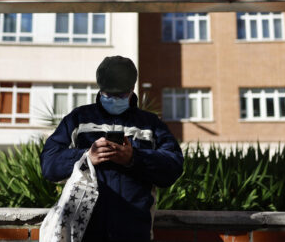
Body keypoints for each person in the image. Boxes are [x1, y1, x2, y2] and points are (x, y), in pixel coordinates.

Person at [41, 55, 184, 242]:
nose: (114, 99)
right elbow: (49, 164)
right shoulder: (79, 119)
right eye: (108, 94)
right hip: (84, 233)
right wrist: (86, 157)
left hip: (134, 234)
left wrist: (134, 158)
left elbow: (173, 166)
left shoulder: (151, 124)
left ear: (132, 89)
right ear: (100, 89)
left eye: (121, 95)